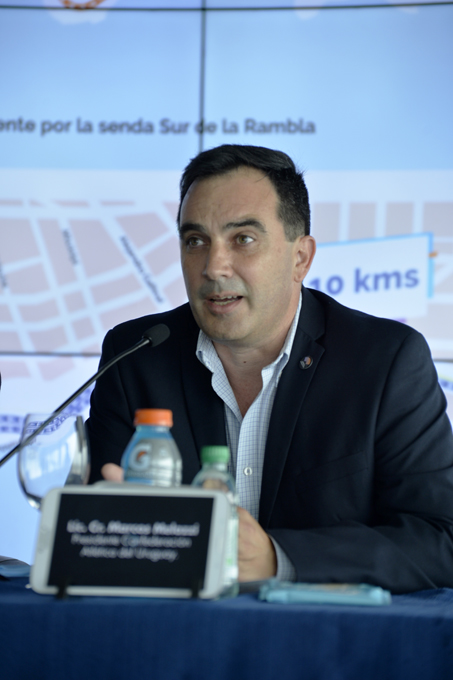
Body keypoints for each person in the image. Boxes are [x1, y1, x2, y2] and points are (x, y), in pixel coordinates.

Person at [86, 144, 453, 593]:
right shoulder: (136, 355)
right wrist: (101, 523)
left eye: (243, 239)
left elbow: (441, 540)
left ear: (300, 258)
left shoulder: (385, 360)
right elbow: (95, 534)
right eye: (195, 241)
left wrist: (280, 559)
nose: (213, 267)